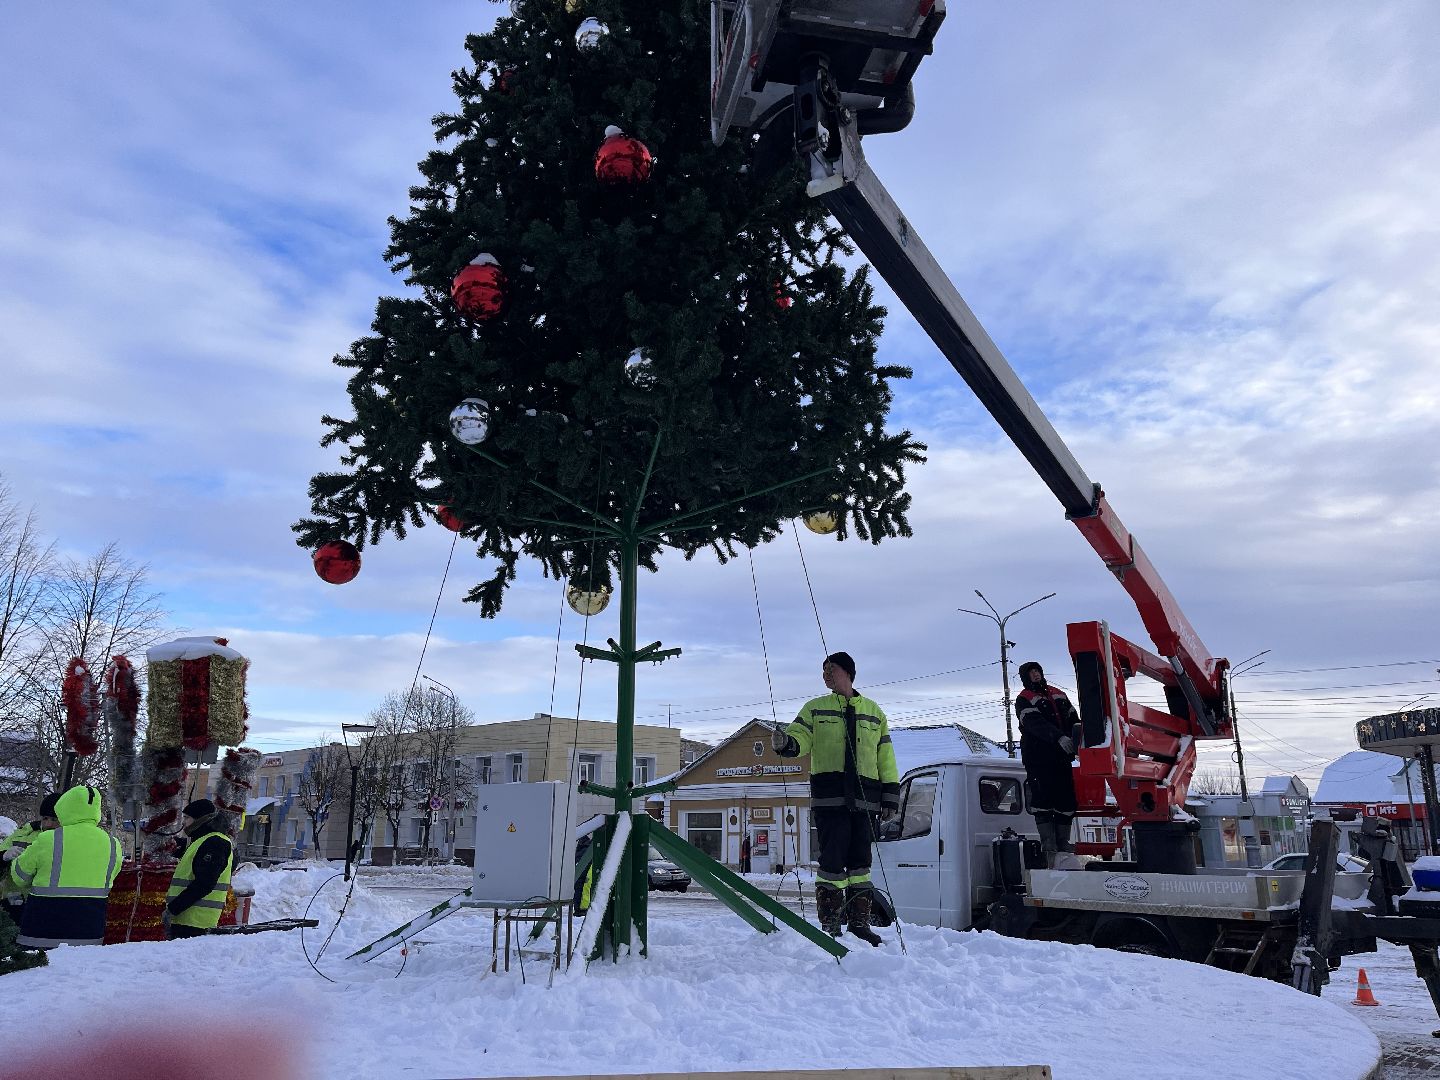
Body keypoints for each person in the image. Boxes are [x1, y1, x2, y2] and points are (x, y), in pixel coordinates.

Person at [772, 651, 900, 946]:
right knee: (832, 863)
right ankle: (830, 924)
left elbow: (886, 758)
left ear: (848, 672)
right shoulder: (815, 709)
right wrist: (786, 743)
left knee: (860, 865)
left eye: (831, 669)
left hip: (866, 800)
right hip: (831, 798)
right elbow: (799, 738)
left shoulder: (874, 712)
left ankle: (859, 924)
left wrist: (890, 796)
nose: (826, 675)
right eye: (823, 671)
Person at [12, 785, 122, 949]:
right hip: (89, 934)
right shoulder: (113, 844)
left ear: (63, 808)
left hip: (41, 932)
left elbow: (20, 877)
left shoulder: (48, 839)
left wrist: (16, 858)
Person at [1016, 661, 1081, 867]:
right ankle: (1049, 846)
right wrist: (1059, 738)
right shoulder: (1024, 699)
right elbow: (1035, 724)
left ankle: (1063, 843)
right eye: (1031, 672)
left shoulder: (1058, 693)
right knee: (1043, 800)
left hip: (1061, 757)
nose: (1035, 674)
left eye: (1037, 671)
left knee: (1065, 800)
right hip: (1038, 758)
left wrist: (1078, 735)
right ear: (1025, 677)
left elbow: (1073, 717)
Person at [164, 799, 235, 939]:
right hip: (187, 919)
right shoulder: (201, 841)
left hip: (197, 923)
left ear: (200, 819)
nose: (184, 822)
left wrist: (173, 909)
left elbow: (204, 883)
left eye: (187, 817)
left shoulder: (215, 842)